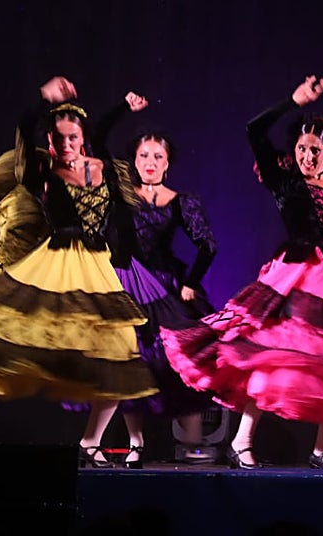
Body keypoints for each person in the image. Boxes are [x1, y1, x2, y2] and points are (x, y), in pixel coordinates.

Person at [161, 75, 323, 469]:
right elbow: (255, 130)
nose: (308, 157)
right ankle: (242, 441)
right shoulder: (285, 181)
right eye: (301, 148)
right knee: (271, 354)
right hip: (296, 276)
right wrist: (292, 102)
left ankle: (321, 449)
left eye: (315, 151)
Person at [0, 76, 157, 467]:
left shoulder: (100, 165)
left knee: (118, 354)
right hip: (53, 264)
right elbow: (25, 129)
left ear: (83, 138)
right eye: (59, 140)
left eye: (73, 139)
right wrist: (44, 100)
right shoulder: (42, 171)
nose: (67, 146)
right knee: (7, 348)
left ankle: (90, 441)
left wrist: (124, 107)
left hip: (95, 269)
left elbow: (103, 136)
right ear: (50, 141)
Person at [109, 129, 221, 466]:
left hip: (166, 286)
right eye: (144, 156)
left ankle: (192, 441)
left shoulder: (180, 201)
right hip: (128, 284)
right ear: (134, 161)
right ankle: (135, 442)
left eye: (158, 157)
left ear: (167, 164)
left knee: (179, 360)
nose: (150, 163)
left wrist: (191, 282)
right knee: (131, 361)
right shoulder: (122, 198)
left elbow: (207, 243)